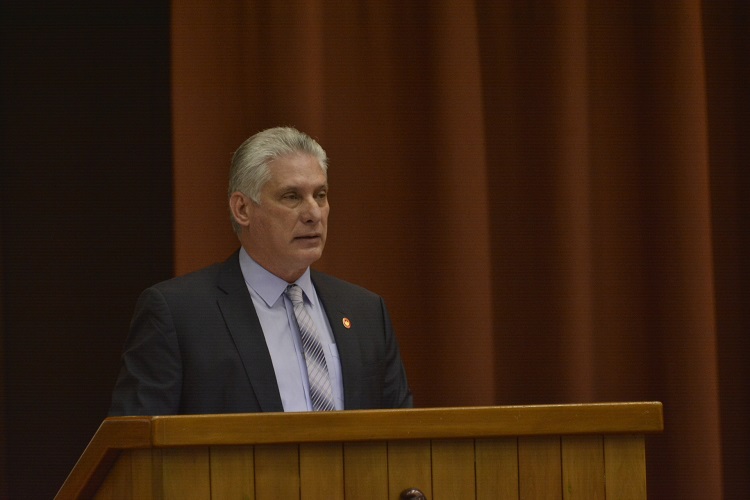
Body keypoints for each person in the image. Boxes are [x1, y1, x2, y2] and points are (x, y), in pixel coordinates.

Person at [108, 127, 412, 415]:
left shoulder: (365, 312)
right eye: (292, 196)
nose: (313, 213)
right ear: (242, 209)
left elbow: (403, 435)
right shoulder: (179, 314)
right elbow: (136, 441)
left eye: (320, 195)